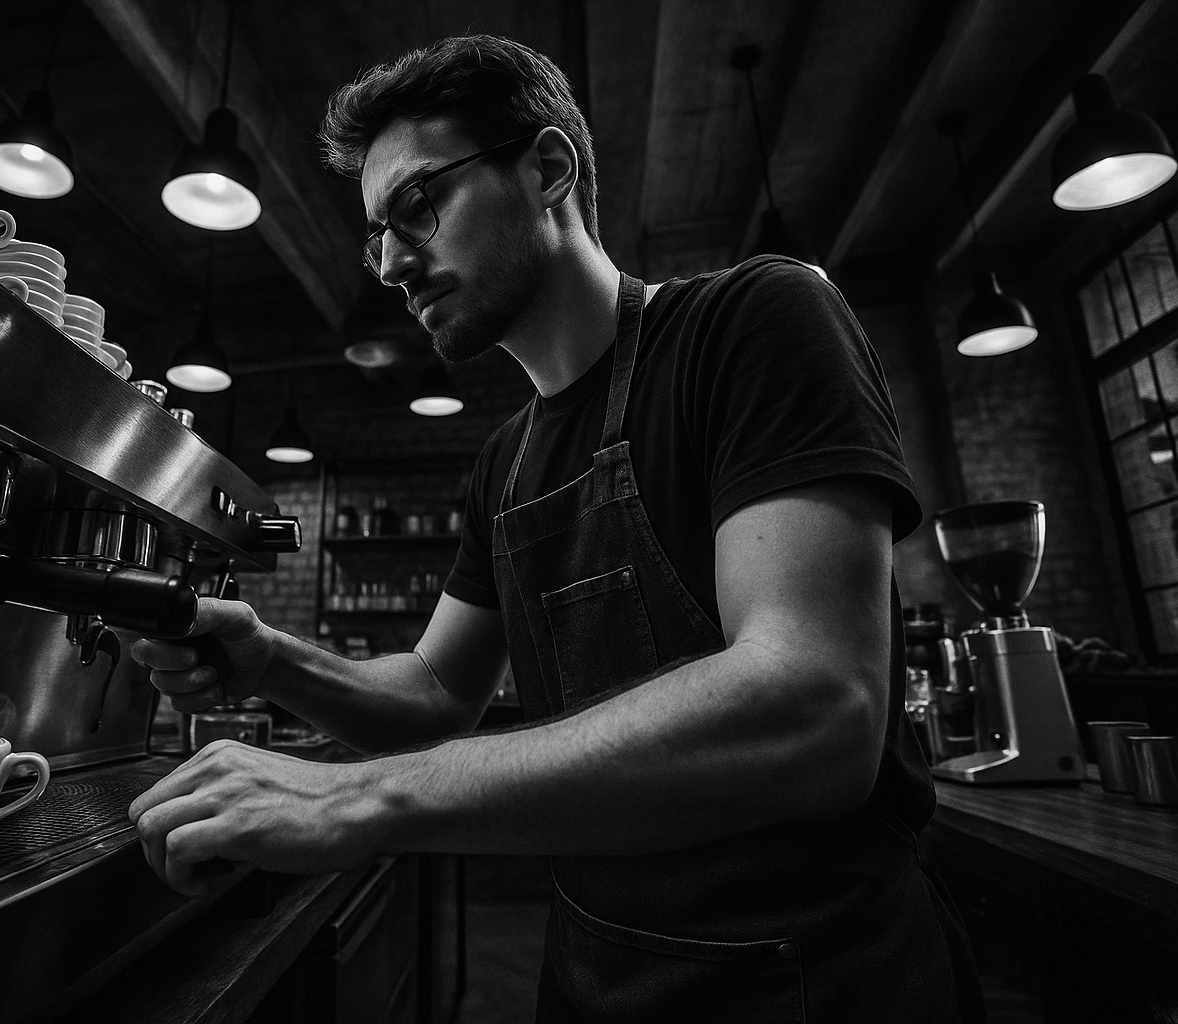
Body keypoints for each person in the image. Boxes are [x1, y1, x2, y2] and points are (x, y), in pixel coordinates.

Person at [128, 34, 983, 1023]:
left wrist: (355, 798)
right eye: (377, 233)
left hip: (816, 979)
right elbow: (440, 691)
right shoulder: (505, 463)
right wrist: (267, 656)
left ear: (547, 170)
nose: (393, 263)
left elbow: (815, 703)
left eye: (417, 206)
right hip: (593, 974)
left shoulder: (754, 321)